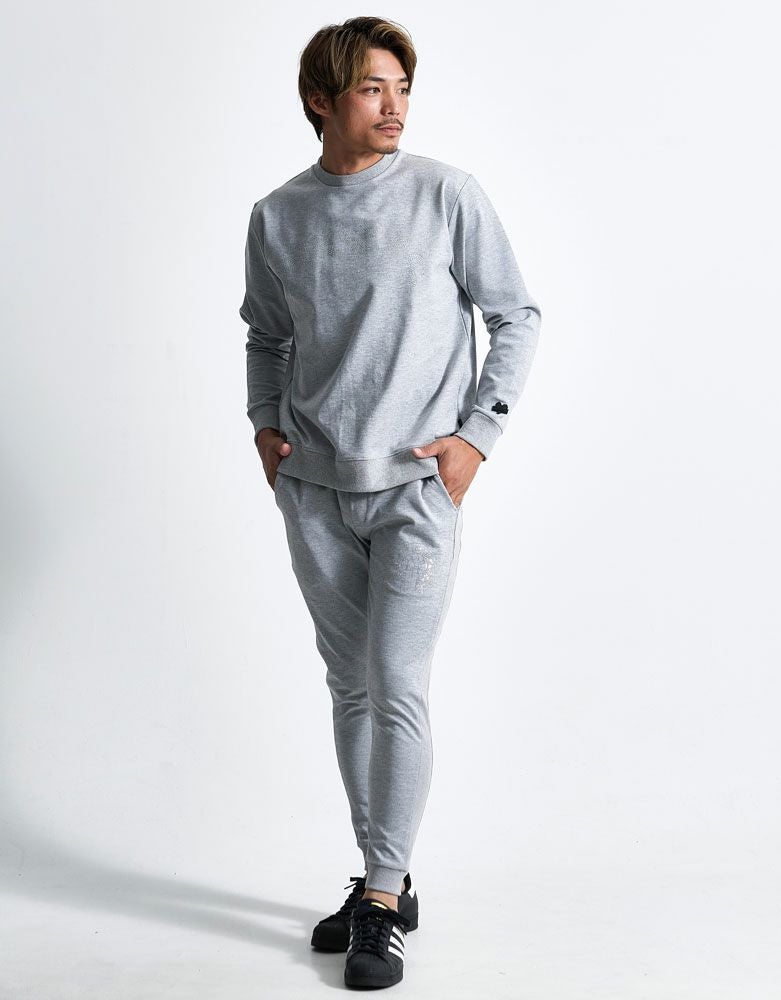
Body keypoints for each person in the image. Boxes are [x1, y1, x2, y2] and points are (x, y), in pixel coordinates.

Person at [240, 15, 541, 990]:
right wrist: (265, 425)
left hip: (416, 487)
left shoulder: (447, 195)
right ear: (321, 100)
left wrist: (476, 435)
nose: (395, 106)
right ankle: (384, 876)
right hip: (315, 489)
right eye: (373, 88)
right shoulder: (277, 216)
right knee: (351, 687)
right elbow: (266, 336)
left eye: (402, 87)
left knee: (397, 681)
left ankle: (379, 896)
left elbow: (515, 314)